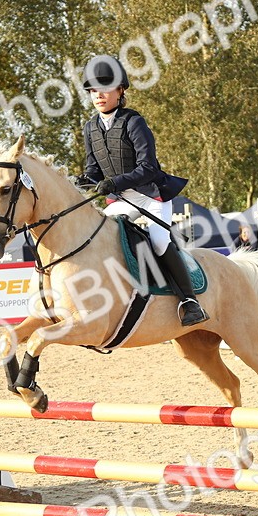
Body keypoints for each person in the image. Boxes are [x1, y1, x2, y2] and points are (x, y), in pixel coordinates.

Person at [78, 55, 207, 326]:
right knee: (99, 235)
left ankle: (189, 300)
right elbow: (93, 169)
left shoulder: (133, 122)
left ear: (120, 90)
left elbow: (148, 167)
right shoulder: (90, 128)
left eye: (105, 87)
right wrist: (84, 180)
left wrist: (114, 183)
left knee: (159, 241)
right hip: (122, 201)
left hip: (151, 197)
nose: (98, 94)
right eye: (93, 90)